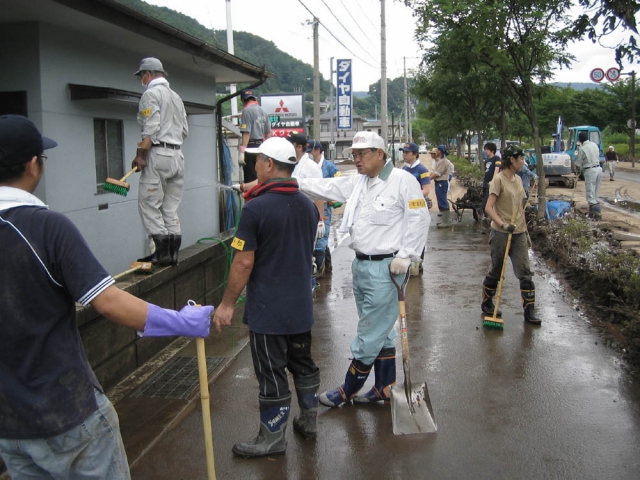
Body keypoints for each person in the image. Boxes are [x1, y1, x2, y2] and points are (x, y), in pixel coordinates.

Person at [0, 115, 214, 479]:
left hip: (10, 427)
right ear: (33, 165)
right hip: (69, 415)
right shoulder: (47, 227)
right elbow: (109, 302)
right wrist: (180, 322)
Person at [297, 131, 429, 407]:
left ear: (380, 154)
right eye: (354, 154)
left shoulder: (403, 181)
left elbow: (419, 218)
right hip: (361, 266)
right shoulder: (359, 182)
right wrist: (286, 181)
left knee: (370, 331)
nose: (355, 159)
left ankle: (349, 387)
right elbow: (324, 187)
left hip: (388, 269)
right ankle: (384, 386)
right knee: (380, 330)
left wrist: (407, 256)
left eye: (361, 154)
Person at [212, 137, 320, 458]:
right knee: (302, 363)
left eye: (257, 161)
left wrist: (227, 303)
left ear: (269, 165)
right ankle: (309, 421)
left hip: (268, 311)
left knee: (271, 372)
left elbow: (243, 262)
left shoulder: (255, 209)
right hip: (301, 307)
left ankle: (273, 439)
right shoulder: (308, 205)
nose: (254, 165)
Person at [132, 57, 189, 267]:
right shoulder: (176, 97)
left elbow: (151, 128)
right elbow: (185, 130)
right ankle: (173, 254)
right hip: (178, 156)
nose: (141, 80)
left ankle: (162, 253)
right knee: (170, 207)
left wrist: (141, 155)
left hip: (158, 153)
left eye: (141, 76)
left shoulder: (151, 94)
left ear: (147, 74)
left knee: (148, 203)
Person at [482, 146, 541, 325]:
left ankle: (529, 311)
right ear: (512, 160)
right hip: (501, 232)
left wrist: (526, 233)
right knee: (497, 269)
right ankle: (487, 303)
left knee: (525, 272)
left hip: (519, 232)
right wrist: (502, 224)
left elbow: (521, 209)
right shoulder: (498, 181)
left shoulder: (518, 180)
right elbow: (488, 207)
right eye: (521, 158)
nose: (523, 162)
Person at [308, 139, 342, 277]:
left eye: (309, 150)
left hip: (325, 207)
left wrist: (336, 200)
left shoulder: (329, 167)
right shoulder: (305, 166)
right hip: (309, 206)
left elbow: (340, 184)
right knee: (314, 236)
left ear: (317, 151)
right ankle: (327, 266)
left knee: (322, 236)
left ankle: (320, 270)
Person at [401, 141, 431, 273]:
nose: (404, 155)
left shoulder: (422, 170)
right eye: (403, 152)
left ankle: (418, 262)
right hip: (405, 209)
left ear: (415, 154)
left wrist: (413, 197)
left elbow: (426, 189)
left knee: (418, 234)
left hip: (417, 207)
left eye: (407, 153)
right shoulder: (404, 169)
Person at [239, 88, 272, 183]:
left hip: (250, 148)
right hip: (261, 147)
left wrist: (242, 152)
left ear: (243, 100)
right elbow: (268, 133)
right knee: (260, 178)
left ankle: (251, 197)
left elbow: (246, 133)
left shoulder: (247, 111)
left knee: (250, 179)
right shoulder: (263, 111)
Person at [574, 131, 603, 218]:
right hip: (599, 169)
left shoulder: (582, 149)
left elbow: (578, 163)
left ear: (580, 140)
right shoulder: (594, 145)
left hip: (590, 171)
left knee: (590, 194)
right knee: (595, 193)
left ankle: (595, 214)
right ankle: (592, 212)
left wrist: (577, 170)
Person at [429, 145, 453, 226]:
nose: (436, 151)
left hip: (442, 183)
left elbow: (437, 173)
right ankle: (443, 217)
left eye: (438, 150)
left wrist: (427, 179)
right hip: (439, 183)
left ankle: (445, 220)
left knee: (442, 200)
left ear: (441, 151)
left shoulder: (444, 162)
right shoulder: (440, 160)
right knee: (440, 200)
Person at [481, 142, 501, 220]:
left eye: (487, 150)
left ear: (492, 150)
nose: (485, 151)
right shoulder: (486, 160)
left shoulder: (496, 158)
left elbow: (497, 169)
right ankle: (488, 218)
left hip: (491, 184)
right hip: (485, 184)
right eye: (485, 150)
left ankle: (490, 219)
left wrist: (493, 181)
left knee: (485, 205)